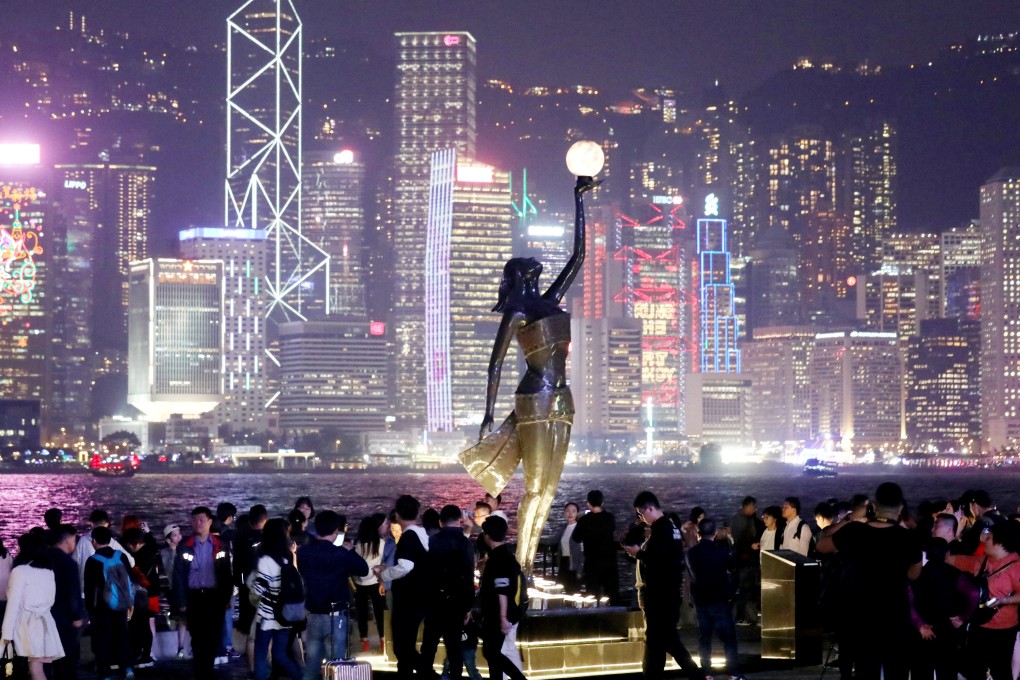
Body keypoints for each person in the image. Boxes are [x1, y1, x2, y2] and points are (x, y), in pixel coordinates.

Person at [460, 174, 599, 574]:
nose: (536, 261)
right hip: (534, 397)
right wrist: (488, 412)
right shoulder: (517, 310)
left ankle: (526, 566)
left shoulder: (549, 300)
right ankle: (520, 568)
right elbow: (496, 362)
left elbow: (579, 257)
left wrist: (578, 199)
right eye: (528, 263)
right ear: (519, 274)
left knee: (550, 489)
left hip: (561, 396)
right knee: (536, 485)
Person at [817, 482, 922, 680]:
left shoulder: (855, 531)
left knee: (866, 669)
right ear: (900, 508)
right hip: (895, 614)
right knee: (896, 670)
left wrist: (849, 519)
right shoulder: (907, 538)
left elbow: (822, 545)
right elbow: (914, 574)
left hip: (862, 613)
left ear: (873, 505)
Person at [622, 492, 705, 680]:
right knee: (659, 641)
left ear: (650, 508)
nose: (641, 518)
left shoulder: (661, 529)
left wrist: (638, 554)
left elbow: (661, 560)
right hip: (668, 594)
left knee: (663, 641)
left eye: (642, 513)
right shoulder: (672, 527)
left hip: (660, 596)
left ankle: (696, 675)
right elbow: (670, 559)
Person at [297, 511, 369, 680]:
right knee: (336, 666)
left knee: (312, 664)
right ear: (336, 531)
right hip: (336, 616)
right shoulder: (341, 554)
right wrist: (350, 550)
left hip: (313, 613)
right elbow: (363, 569)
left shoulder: (303, 552)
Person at [951, 521, 1020, 680]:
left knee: (1001, 669)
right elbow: (958, 561)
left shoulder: (1017, 566)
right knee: (974, 668)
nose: (984, 540)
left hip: (1004, 630)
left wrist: (1004, 600)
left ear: (1000, 543)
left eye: (989, 537)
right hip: (978, 625)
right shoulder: (982, 561)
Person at [171, 506, 233, 680]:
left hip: (214, 597)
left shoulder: (220, 546)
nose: (197, 523)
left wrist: (225, 598)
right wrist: (181, 601)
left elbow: (227, 574)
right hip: (194, 597)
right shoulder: (185, 546)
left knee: (213, 637)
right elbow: (178, 576)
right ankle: (201, 672)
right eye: (194, 520)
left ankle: (208, 671)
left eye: (201, 520)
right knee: (198, 638)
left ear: (210, 522)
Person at [375, 495, 431, 680]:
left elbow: (406, 566)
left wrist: (384, 574)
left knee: (402, 648)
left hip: (408, 600)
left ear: (397, 515)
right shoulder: (423, 535)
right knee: (406, 646)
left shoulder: (408, 536)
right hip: (420, 598)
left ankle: (432, 676)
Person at [908, 537, 976, 680]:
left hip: (921, 629)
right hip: (947, 628)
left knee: (920, 671)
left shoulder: (915, 574)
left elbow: (908, 601)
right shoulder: (955, 574)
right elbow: (973, 594)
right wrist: (963, 617)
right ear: (947, 553)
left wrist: (920, 625)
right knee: (947, 671)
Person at [421, 506, 475, 680]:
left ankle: (427, 675)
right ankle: (456, 677)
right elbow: (468, 576)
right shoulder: (465, 543)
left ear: (440, 521)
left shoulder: (433, 541)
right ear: (459, 520)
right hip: (458, 602)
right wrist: (468, 606)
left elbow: (428, 573)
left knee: (429, 645)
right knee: (454, 647)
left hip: (435, 600)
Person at [1, 533, 63, 680]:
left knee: (31, 669)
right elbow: (51, 600)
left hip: (25, 625)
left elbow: (13, 604)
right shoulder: (48, 570)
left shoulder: (20, 571)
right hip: (44, 623)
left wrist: (7, 634)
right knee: (37, 668)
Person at [686, 519, 742, 680]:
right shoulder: (721, 552)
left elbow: (692, 576)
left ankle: (707, 673)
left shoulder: (691, 553)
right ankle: (734, 673)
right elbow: (733, 566)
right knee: (729, 639)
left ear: (698, 533)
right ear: (715, 533)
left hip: (701, 601)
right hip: (720, 600)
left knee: (704, 639)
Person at [250, 518, 304, 680]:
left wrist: (252, 591)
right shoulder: (287, 556)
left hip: (267, 616)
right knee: (280, 655)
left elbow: (259, 589)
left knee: (260, 654)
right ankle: (301, 676)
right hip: (286, 614)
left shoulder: (266, 560)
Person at [477, 516, 526, 680]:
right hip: (502, 613)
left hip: (496, 614)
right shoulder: (507, 556)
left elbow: (502, 590)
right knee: (493, 653)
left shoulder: (498, 559)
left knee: (491, 652)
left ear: (488, 536)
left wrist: (503, 617)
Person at [83, 526, 133, 680]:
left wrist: (89, 609)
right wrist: (130, 603)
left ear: (94, 541)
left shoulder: (92, 561)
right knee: (122, 637)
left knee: (102, 639)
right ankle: (128, 668)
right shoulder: (121, 556)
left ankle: (105, 672)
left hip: (101, 608)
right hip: (122, 605)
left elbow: (89, 588)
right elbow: (130, 580)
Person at [45, 525, 85, 680]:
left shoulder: (44, 558)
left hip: (46, 614)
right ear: (67, 540)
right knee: (66, 657)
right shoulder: (68, 563)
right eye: (74, 539)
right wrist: (76, 616)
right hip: (65, 616)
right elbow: (73, 591)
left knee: (46, 659)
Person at [571, 490, 619, 603]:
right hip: (609, 561)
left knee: (592, 594)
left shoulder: (584, 520)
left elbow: (576, 538)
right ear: (602, 502)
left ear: (588, 503)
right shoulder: (610, 518)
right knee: (611, 593)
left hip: (592, 562)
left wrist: (580, 519)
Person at [122, 528, 159, 669]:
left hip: (145, 595)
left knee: (142, 625)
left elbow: (140, 576)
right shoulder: (150, 551)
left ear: (135, 544)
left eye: (129, 546)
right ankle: (145, 654)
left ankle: (145, 655)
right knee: (144, 625)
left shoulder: (141, 556)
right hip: (151, 593)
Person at [353, 514, 389, 653]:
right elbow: (383, 562)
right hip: (376, 581)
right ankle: (382, 642)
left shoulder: (358, 543)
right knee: (380, 612)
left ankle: (365, 642)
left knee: (362, 612)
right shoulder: (380, 543)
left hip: (359, 582)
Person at [73, 509, 134, 591]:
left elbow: (74, 564)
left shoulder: (83, 541)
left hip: (85, 591)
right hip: (108, 593)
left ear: (91, 523)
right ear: (106, 524)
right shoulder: (112, 542)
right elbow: (131, 562)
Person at [729, 496, 763, 625]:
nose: (755, 510)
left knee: (750, 590)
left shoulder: (746, 519)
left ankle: (749, 616)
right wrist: (750, 546)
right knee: (745, 589)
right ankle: (741, 616)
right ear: (748, 506)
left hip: (748, 561)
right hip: (744, 561)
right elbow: (738, 542)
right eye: (754, 507)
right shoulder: (740, 521)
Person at [159, 523, 190, 659]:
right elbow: (169, 570)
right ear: (168, 539)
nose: (179, 537)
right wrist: (173, 552)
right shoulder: (165, 552)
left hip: (188, 588)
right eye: (175, 535)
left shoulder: (186, 549)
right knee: (182, 620)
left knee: (188, 620)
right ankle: (181, 648)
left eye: (179, 534)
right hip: (175, 591)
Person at [550, 502, 582, 591]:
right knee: (560, 589)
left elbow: (583, 552)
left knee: (572, 591)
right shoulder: (563, 528)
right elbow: (553, 540)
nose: (570, 513)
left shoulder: (580, 528)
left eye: (573, 511)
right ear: (564, 513)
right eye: (567, 511)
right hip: (563, 563)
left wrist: (580, 570)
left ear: (577, 513)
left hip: (574, 564)